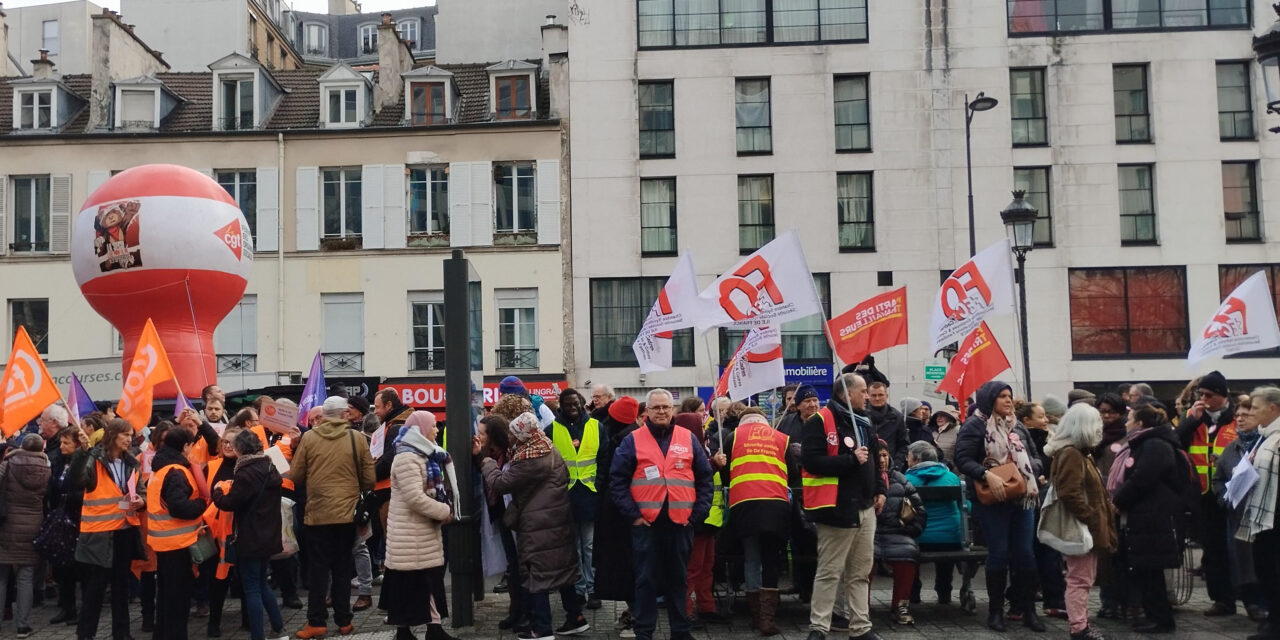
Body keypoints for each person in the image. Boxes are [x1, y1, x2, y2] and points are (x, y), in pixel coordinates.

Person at [609, 389, 714, 640]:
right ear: (646, 412)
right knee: (645, 581)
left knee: (679, 580)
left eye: (666, 407)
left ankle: (681, 631)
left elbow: (705, 479)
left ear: (673, 409)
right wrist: (632, 514)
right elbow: (617, 480)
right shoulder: (632, 440)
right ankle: (644, 631)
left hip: (681, 523)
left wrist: (697, 514)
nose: (661, 412)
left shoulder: (687, 438)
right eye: (656, 408)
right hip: (647, 524)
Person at [479, 412, 588, 640]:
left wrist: (488, 463)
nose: (510, 437)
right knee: (562, 570)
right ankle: (576, 618)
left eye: (513, 433)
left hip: (537, 523)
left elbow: (500, 484)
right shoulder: (547, 447)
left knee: (535, 572)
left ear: (522, 435)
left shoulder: (530, 458)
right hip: (557, 517)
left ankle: (541, 628)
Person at [801, 373, 887, 640]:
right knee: (829, 571)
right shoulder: (819, 422)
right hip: (835, 508)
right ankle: (819, 627)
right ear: (847, 394)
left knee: (860, 572)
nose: (867, 396)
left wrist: (881, 490)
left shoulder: (864, 421)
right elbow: (811, 462)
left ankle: (860, 627)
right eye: (862, 391)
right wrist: (849, 460)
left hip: (864, 507)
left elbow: (876, 458)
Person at [953, 381, 1044, 632]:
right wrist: (986, 474)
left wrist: (1026, 470)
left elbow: (1037, 458)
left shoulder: (1018, 426)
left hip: (1022, 497)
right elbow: (962, 458)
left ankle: (1028, 611)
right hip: (993, 500)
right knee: (999, 553)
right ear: (989, 399)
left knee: (1025, 553)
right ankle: (995, 613)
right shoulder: (975, 425)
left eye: (1009, 396)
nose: (1007, 400)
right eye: (1002, 396)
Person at [289, 396, 376, 639]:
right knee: (342, 569)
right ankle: (344, 621)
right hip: (347, 515)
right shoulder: (356, 438)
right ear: (344, 414)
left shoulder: (309, 438)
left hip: (317, 515)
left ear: (325, 415)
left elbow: (295, 475)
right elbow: (369, 479)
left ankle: (316, 622)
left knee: (318, 570)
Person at [1044, 403, 1117, 640]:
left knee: (1082, 578)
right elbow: (1070, 493)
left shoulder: (1075, 452)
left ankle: (1081, 624)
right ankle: (1079, 627)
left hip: (1085, 524)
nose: (1100, 429)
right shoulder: (1073, 454)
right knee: (1080, 579)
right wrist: (1091, 517)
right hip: (1082, 527)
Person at [1110, 400, 1184, 634]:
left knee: (1151, 571)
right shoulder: (1146, 443)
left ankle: (1161, 619)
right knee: (1147, 571)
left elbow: (1142, 478)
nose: (1126, 423)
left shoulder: (1155, 444)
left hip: (1153, 516)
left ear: (1140, 423)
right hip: (1145, 516)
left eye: (1130, 419)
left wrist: (1119, 500)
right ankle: (1154, 616)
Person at [383, 411, 457, 640]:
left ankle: (430, 629)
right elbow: (414, 497)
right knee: (411, 585)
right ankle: (407, 632)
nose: (436, 430)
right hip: (410, 534)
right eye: (433, 426)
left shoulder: (423, 453)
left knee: (426, 583)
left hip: (419, 533)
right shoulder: (407, 457)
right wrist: (444, 511)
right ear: (420, 429)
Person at [68, 418, 143, 640]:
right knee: (96, 588)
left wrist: (142, 501)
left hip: (124, 530)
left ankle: (122, 634)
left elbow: (140, 489)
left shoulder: (131, 462)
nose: (130, 439)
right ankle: (85, 633)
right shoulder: (95, 458)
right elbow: (76, 479)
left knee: (121, 587)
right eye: (125, 435)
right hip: (99, 533)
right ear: (112, 435)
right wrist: (82, 452)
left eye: (131, 435)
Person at [211, 429, 286, 640]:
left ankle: (258, 636)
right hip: (269, 535)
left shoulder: (245, 472)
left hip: (250, 537)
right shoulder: (270, 466)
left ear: (239, 449)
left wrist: (218, 490)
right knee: (261, 582)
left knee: (252, 588)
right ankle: (278, 626)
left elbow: (228, 503)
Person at [722, 410, 790, 635]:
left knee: (751, 558)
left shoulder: (733, 437)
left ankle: (754, 614)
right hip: (775, 505)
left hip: (744, 503)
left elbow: (725, 473)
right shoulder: (781, 437)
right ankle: (767, 619)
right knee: (771, 559)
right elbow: (793, 470)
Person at [1176, 370, 1238, 617]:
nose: (1204, 398)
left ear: (1223, 396)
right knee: (1212, 551)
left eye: (1209, 394)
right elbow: (1175, 443)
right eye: (1201, 394)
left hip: (1233, 494)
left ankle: (1251, 598)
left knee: (1238, 550)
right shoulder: (1194, 419)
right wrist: (1190, 420)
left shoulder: (1236, 419)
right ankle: (1221, 599)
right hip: (1203, 494)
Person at [546, 388, 607, 610]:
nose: (573, 408)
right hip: (565, 495)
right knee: (574, 547)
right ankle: (579, 589)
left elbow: (604, 458)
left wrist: (598, 484)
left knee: (589, 546)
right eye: (568, 404)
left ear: (581, 404)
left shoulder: (596, 427)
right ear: (561, 406)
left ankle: (592, 589)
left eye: (576, 404)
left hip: (589, 493)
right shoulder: (551, 430)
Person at [148, 427, 210, 640]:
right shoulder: (176, 471)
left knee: (166, 597)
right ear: (185, 446)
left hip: (164, 543)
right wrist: (202, 503)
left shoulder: (160, 469)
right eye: (191, 445)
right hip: (178, 543)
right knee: (177, 600)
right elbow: (179, 507)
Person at [1213, 398, 1267, 623]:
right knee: (1242, 562)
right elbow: (1218, 479)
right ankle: (1251, 603)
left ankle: (1266, 604)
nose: (1241, 419)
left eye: (1247, 415)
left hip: (1264, 515)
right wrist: (1224, 498)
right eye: (1238, 416)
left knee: (1265, 561)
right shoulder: (1231, 447)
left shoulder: (1267, 445)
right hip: (1238, 515)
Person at [593, 396, 640, 638]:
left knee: (627, 567)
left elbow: (618, 481)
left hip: (620, 515)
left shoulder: (622, 441)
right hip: (623, 513)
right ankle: (635, 612)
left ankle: (636, 615)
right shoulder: (629, 436)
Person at [675, 411, 725, 627]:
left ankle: (707, 607)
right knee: (693, 569)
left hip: (709, 519)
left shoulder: (702, 447)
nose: (704, 427)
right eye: (700, 424)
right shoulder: (685, 451)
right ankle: (684, 612)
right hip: (696, 519)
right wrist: (714, 463)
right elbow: (696, 473)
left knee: (706, 566)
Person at [1016, 400, 1065, 620]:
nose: (1045, 420)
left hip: (1047, 497)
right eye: (1041, 416)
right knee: (1026, 550)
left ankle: (1054, 600)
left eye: (1046, 416)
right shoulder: (1019, 439)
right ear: (1026, 420)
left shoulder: (1052, 440)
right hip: (1027, 498)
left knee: (1048, 548)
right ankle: (1020, 602)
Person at [0, 434, 51, 638]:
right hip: (33, 523)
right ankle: (23, 625)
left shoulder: (9, 464)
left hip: (7, 524)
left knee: (2, 576)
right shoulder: (47, 468)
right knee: (26, 577)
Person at [872, 439, 926, 626]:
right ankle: (861, 606)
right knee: (863, 559)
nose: (882, 460)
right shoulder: (861, 479)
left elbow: (919, 510)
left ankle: (900, 606)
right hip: (869, 533)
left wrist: (911, 529)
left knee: (907, 554)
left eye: (885, 455)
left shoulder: (900, 479)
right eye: (877, 456)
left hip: (897, 532)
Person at [1242, 387, 1280, 640]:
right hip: (1262, 518)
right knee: (1265, 572)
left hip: (1275, 519)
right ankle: (1273, 621)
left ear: (1273, 408)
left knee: (1274, 573)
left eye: (1255, 407)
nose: (1250, 412)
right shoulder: (1264, 436)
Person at [47, 425, 86, 628]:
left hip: (79, 519)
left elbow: (88, 491)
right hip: (61, 520)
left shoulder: (84, 463)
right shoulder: (58, 462)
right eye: (61, 442)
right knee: (63, 566)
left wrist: (71, 497)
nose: (61, 446)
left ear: (77, 445)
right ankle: (67, 606)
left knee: (78, 567)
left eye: (66, 443)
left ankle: (82, 611)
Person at [866, 381, 907, 471]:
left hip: (890, 467)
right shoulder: (860, 416)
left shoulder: (897, 417)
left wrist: (896, 464)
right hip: (867, 466)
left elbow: (904, 445)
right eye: (873, 395)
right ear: (868, 396)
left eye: (880, 395)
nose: (877, 398)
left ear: (886, 396)